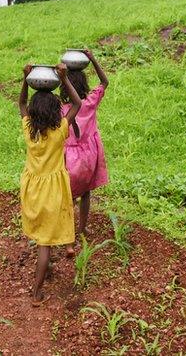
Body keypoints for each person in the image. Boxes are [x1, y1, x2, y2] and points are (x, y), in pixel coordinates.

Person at [19, 63, 82, 305]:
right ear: (55, 110)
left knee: (43, 236)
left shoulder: (29, 129)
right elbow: (77, 104)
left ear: (34, 112)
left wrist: (25, 79)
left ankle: (47, 270)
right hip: (53, 191)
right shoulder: (60, 130)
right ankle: (36, 292)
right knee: (44, 245)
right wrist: (65, 79)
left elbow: (22, 104)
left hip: (33, 190)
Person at [59, 48, 110, 256]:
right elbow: (105, 82)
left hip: (69, 159)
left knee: (68, 199)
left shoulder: (60, 109)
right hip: (89, 157)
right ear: (84, 85)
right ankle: (82, 228)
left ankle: (68, 239)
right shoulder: (90, 102)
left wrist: (59, 76)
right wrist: (92, 58)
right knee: (86, 192)